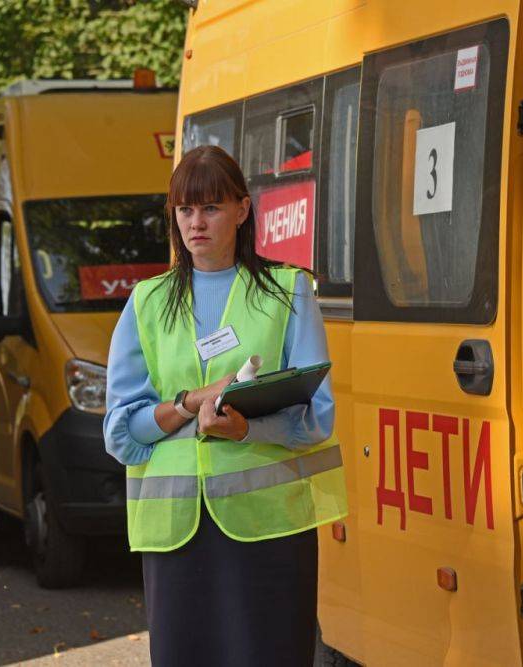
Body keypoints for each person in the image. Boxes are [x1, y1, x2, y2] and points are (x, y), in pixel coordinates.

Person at [103, 145, 348, 666]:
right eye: (185, 210)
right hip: (176, 535)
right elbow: (121, 433)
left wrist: (245, 431)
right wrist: (190, 403)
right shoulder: (146, 301)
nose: (196, 222)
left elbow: (318, 416)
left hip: (269, 528)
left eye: (211, 208)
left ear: (242, 209)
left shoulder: (289, 291)